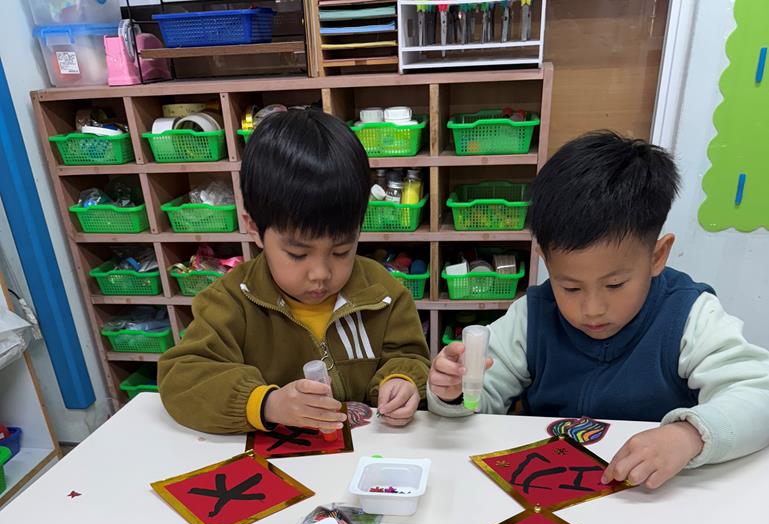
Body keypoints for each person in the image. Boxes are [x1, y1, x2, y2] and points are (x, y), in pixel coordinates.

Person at [428, 131, 769, 489]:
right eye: (570, 287)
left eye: (615, 285)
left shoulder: (688, 315)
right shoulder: (532, 316)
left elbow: (758, 394)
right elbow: (478, 403)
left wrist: (688, 435)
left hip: (653, 494)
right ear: (546, 262)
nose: (591, 309)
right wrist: (453, 393)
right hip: (547, 485)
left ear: (657, 256)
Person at [158, 108, 430, 434]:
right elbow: (183, 377)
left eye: (341, 251)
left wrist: (402, 380)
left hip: (366, 451)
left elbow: (409, 356)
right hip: (277, 454)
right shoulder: (230, 301)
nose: (320, 274)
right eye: (298, 254)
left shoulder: (381, 291)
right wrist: (266, 404)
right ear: (254, 229)